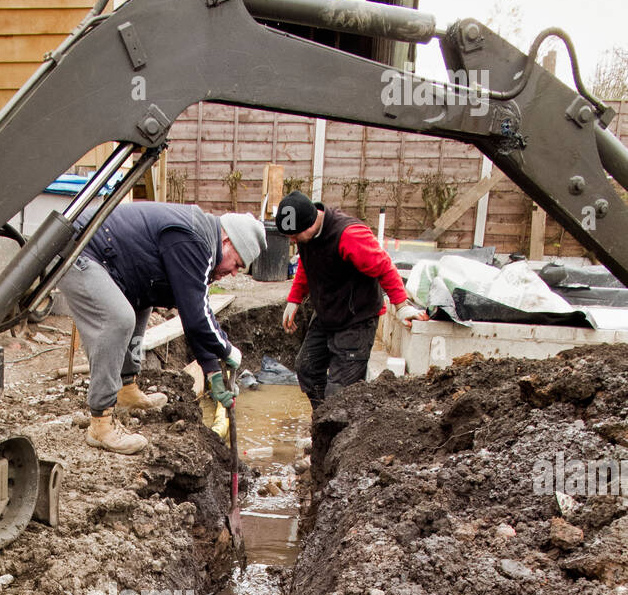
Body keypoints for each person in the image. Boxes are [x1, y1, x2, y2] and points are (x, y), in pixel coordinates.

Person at [60, 202, 268, 453]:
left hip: (112, 261)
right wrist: (226, 349)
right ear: (227, 242)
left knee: (141, 303)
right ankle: (101, 423)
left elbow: (196, 309)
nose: (234, 273)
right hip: (79, 247)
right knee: (118, 319)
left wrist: (212, 371)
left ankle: (126, 389)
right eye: (237, 264)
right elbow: (196, 318)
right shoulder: (193, 241)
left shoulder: (203, 245)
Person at [276, 191, 425, 411]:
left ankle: (337, 427)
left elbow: (384, 266)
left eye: (295, 236)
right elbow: (308, 266)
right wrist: (295, 298)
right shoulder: (305, 235)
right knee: (306, 368)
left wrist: (401, 305)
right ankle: (323, 423)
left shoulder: (349, 235)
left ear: (309, 224)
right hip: (327, 313)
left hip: (356, 319)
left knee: (339, 391)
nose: (292, 240)